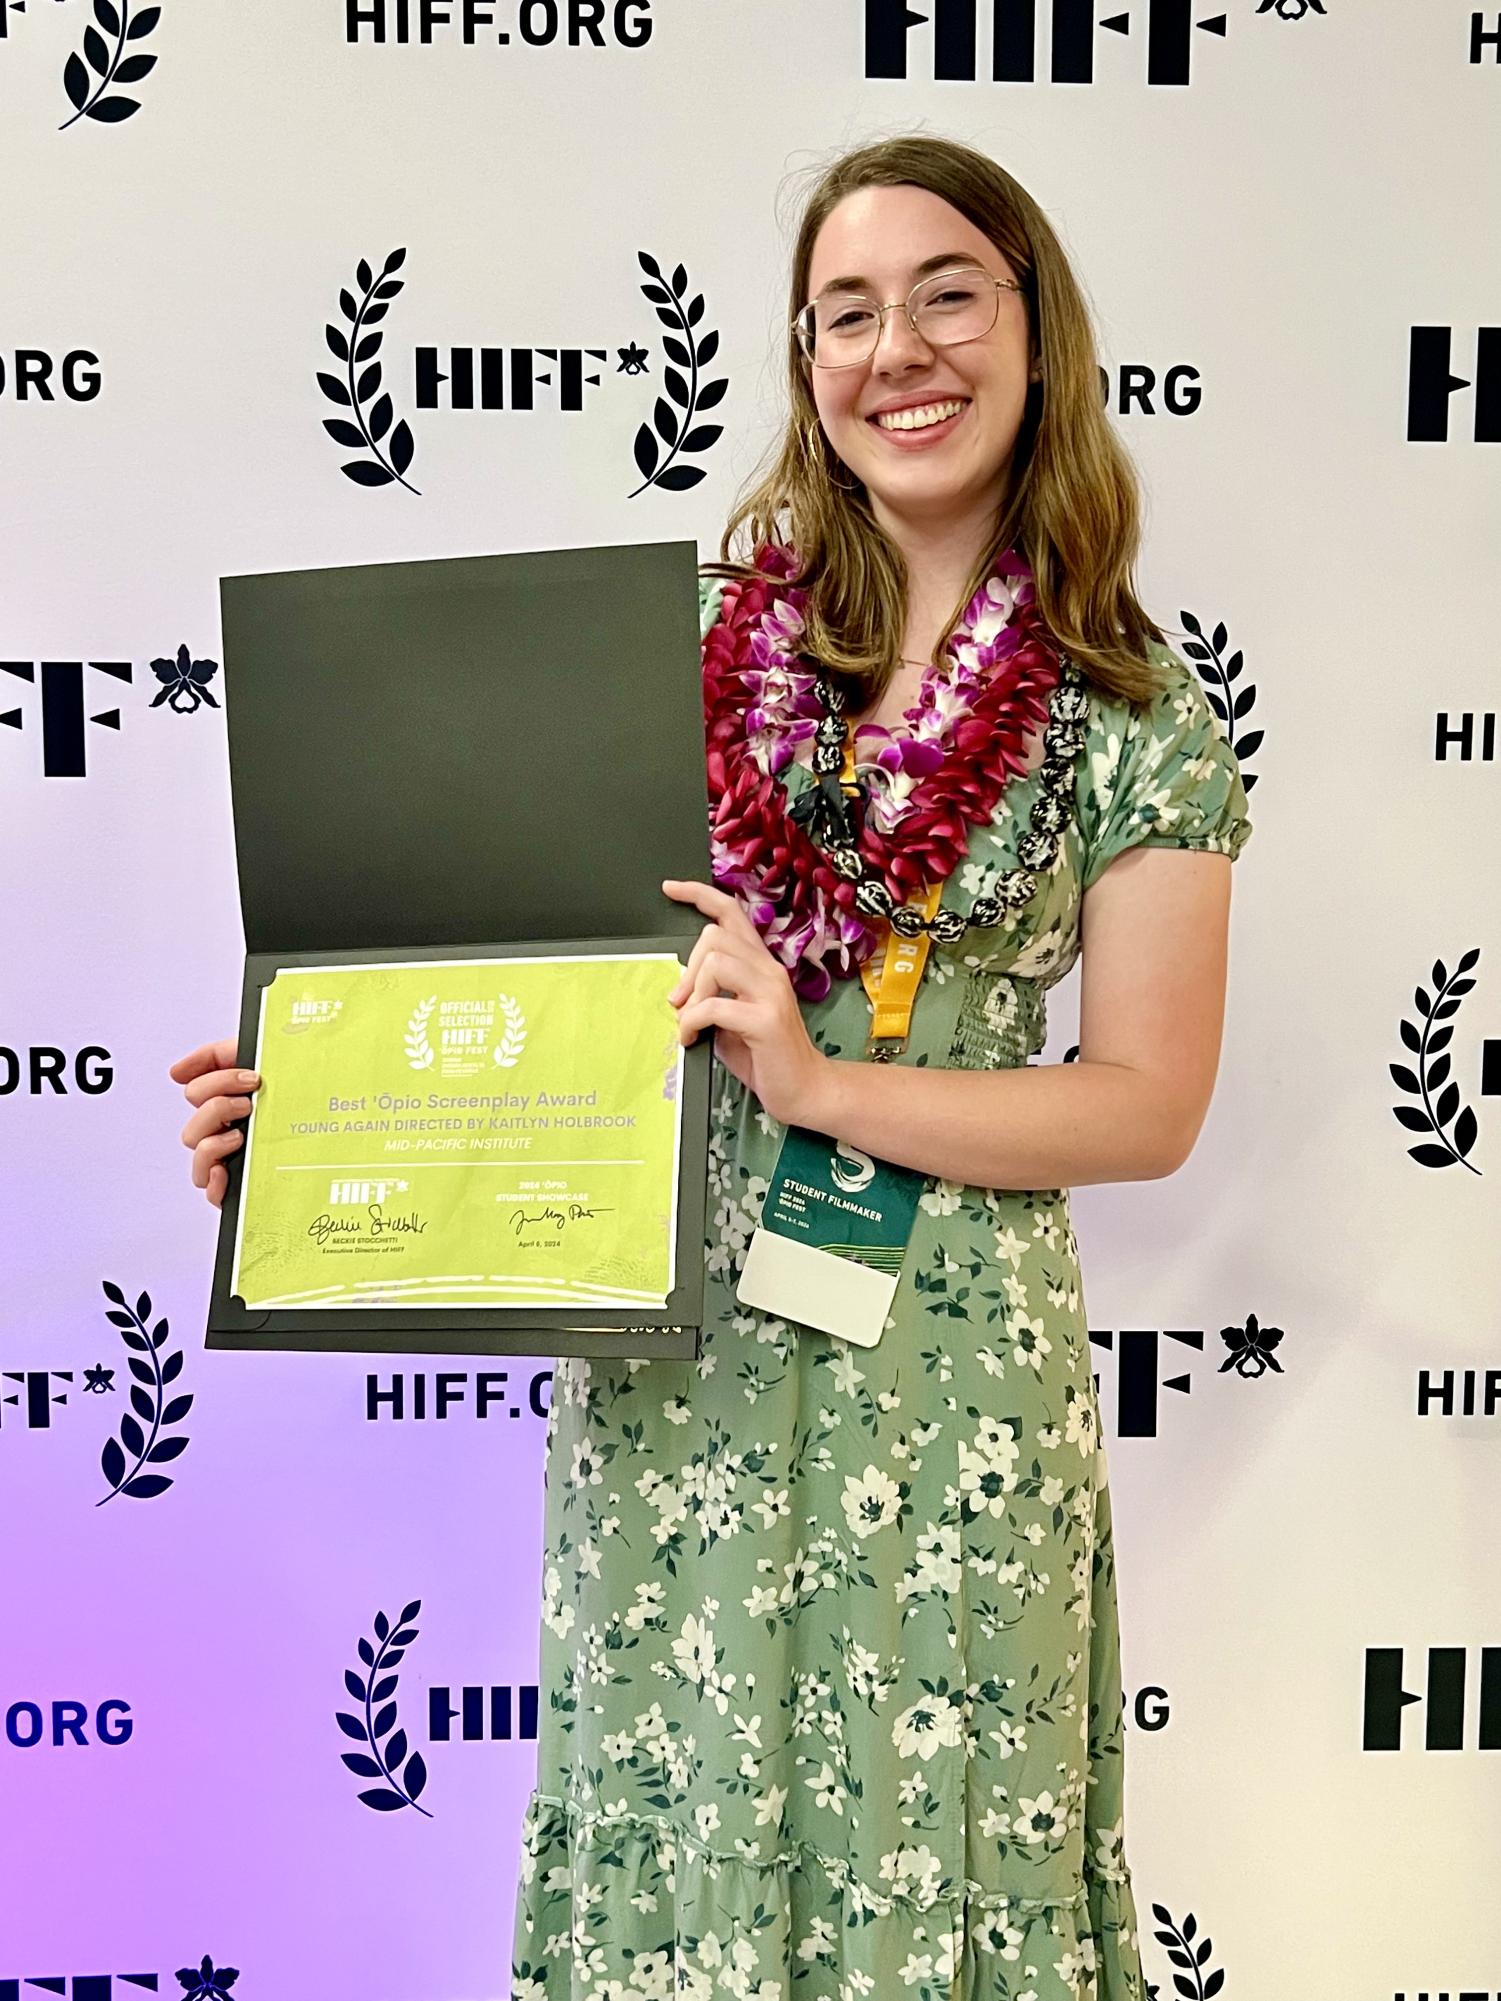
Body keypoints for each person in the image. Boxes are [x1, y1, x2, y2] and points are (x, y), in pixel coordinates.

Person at [172, 134, 1251, 2001]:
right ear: (803, 363)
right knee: (675, 1823)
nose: (895, 349)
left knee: (946, 1832)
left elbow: (1145, 1101)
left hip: (954, 1388)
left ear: (1037, 332)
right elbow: (513, 972)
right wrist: (308, 1137)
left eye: (945, 295)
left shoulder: (1132, 709)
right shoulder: (676, 644)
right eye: (845, 312)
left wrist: (823, 1089)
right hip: (678, 1368)